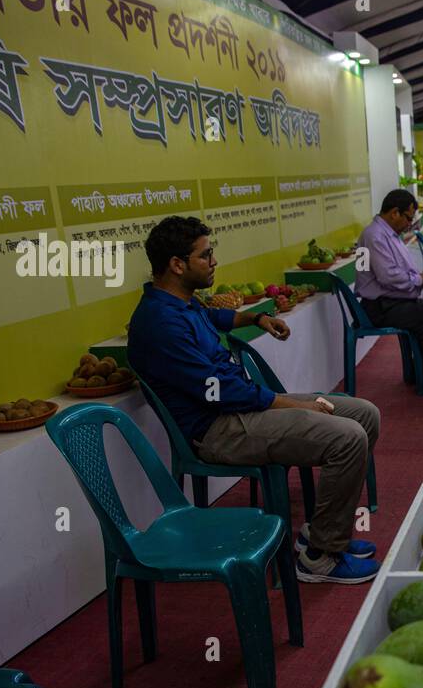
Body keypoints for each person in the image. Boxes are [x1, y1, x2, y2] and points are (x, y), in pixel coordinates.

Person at [128, 216, 381, 584]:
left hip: (242, 409)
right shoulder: (160, 322)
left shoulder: (181, 301)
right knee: (347, 437)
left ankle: (322, 531)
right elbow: (221, 392)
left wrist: (257, 318)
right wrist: (294, 405)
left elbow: (214, 317)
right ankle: (320, 558)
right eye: (206, 255)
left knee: (365, 414)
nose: (213, 261)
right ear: (177, 265)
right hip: (218, 429)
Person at [356, 189, 423, 393]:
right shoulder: (374, 235)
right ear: (394, 213)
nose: (409, 223)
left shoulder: (387, 233)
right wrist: (419, 279)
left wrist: (419, 277)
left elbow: (396, 271)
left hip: (392, 300)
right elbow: (388, 276)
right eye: (408, 217)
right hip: (380, 306)